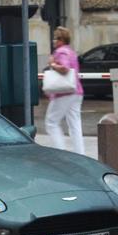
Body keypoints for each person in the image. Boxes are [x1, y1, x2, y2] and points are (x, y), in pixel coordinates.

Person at [44, 26, 85, 155]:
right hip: (76, 91)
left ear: (61, 39)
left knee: (51, 122)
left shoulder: (61, 52)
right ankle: (80, 154)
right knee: (75, 124)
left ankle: (61, 153)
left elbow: (65, 68)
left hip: (63, 93)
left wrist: (53, 64)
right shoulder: (71, 52)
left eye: (55, 38)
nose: (53, 41)